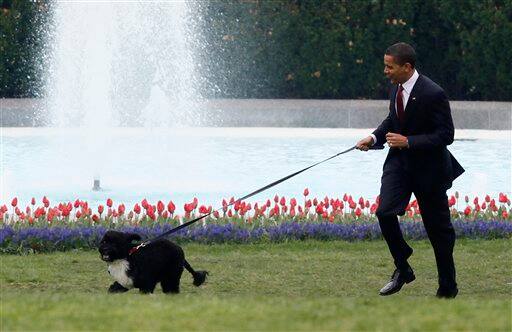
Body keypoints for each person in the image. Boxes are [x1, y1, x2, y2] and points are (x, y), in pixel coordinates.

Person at [356, 42, 464, 298]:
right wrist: (373, 138)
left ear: (407, 67)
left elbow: (446, 135)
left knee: (439, 231)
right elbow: (393, 120)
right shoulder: (396, 88)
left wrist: (409, 141)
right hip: (399, 166)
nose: (386, 71)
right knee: (384, 212)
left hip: (430, 170)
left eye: (389, 66)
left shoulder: (433, 93)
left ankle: (447, 288)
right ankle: (403, 266)